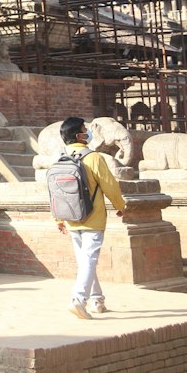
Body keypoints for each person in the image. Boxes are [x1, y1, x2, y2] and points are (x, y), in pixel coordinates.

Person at [55, 115, 127, 319]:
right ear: (80, 135)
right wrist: (120, 206)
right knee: (89, 260)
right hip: (92, 217)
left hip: (70, 217)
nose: (88, 132)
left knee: (85, 260)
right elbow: (109, 185)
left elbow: (55, 192)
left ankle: (97, 300)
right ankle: (79, 300)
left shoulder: (61, 158)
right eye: (85, 129)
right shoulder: (93, 157)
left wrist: (59, 218)